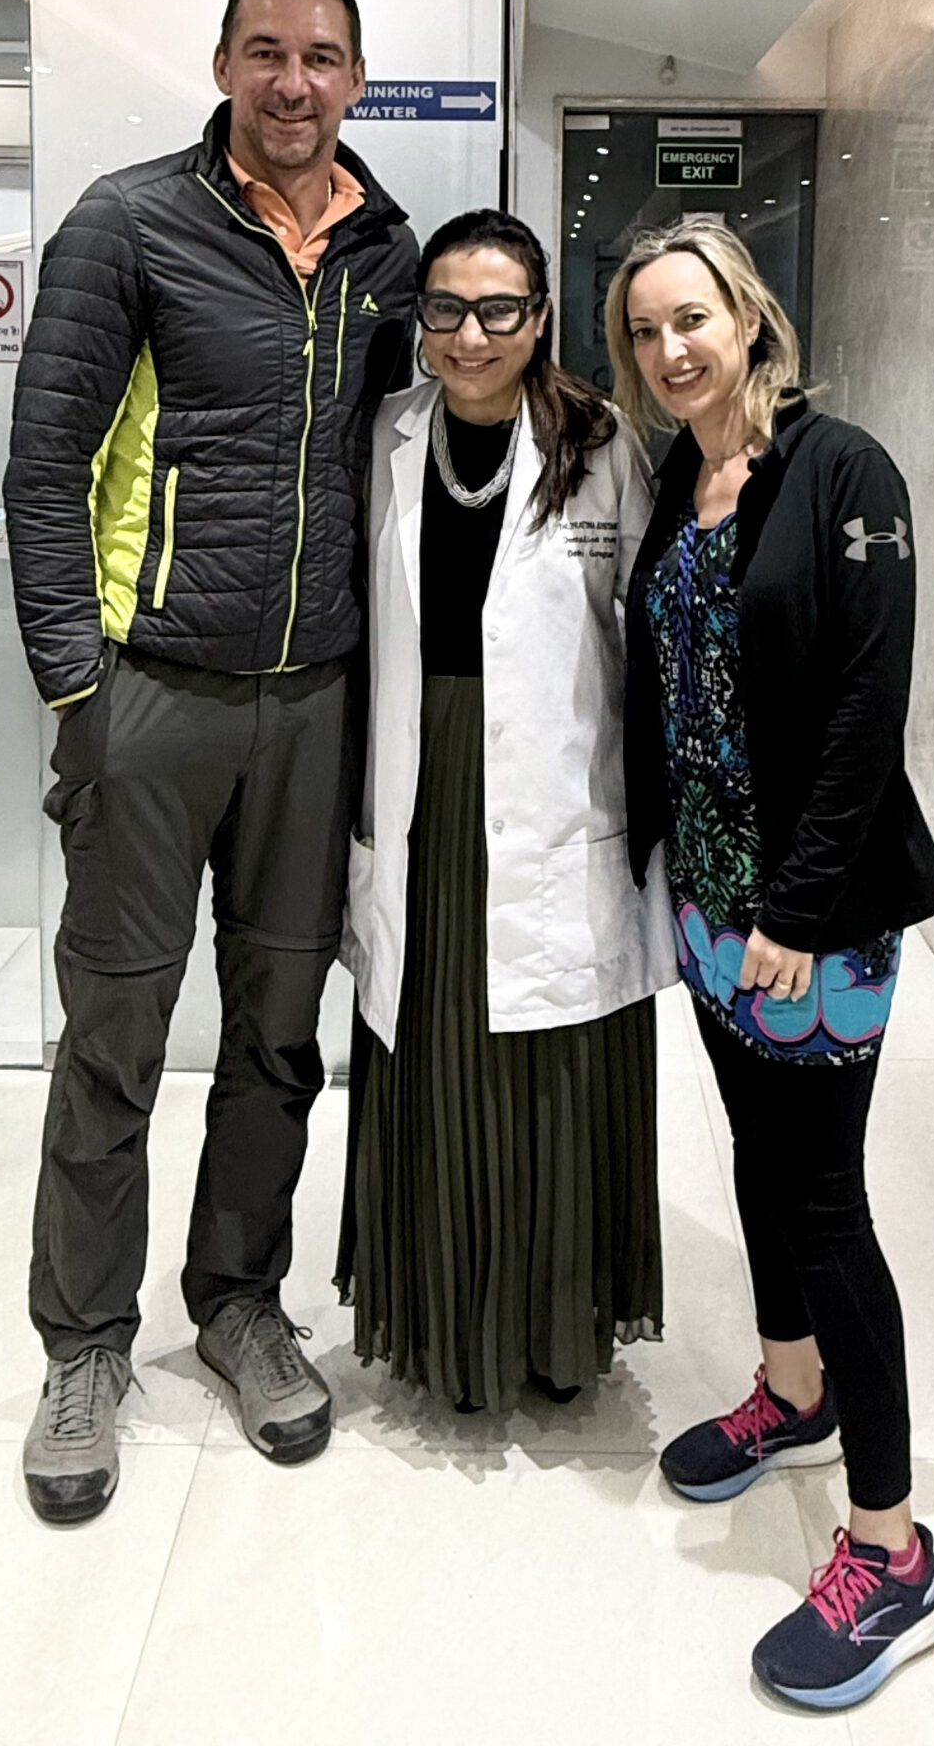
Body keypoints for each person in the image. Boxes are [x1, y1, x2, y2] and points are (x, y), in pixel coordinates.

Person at [4, 0, 416, 1523]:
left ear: (356, 78)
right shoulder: (129, 224)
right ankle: (84, 1347)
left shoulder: (389, 251)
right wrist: (77, 687)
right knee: (113, 1032)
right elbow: (43, 468)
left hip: (315, 703)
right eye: (266, 51)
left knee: (277, 1032)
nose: (293, 82)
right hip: (152, 695)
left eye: (321, 56)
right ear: (226, 64)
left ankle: (239, 1302)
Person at [610, 216, 934, 1713]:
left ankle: (892, 1549)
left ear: (749, 316)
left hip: (815, 918)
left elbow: (872, 702)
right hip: (710, 902)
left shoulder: (843, 471)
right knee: (759, 1163)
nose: (669, 349)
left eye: (691, 318)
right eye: (643, 331)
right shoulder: (676, 481)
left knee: (823, 1202)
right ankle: (794, 1390)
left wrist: (801, 913)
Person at [336, 210, 673, 1411]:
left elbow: (649, 627)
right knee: (435, 1057)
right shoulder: (384, 434)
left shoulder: (602, 444)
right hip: (425, 790)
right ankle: (445, 1330)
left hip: (556, 791)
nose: (469, 334)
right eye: (445, 308)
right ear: (420, 316)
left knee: (551, 1070)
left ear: (539, 318)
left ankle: (551, 1328)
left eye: (498, 310)